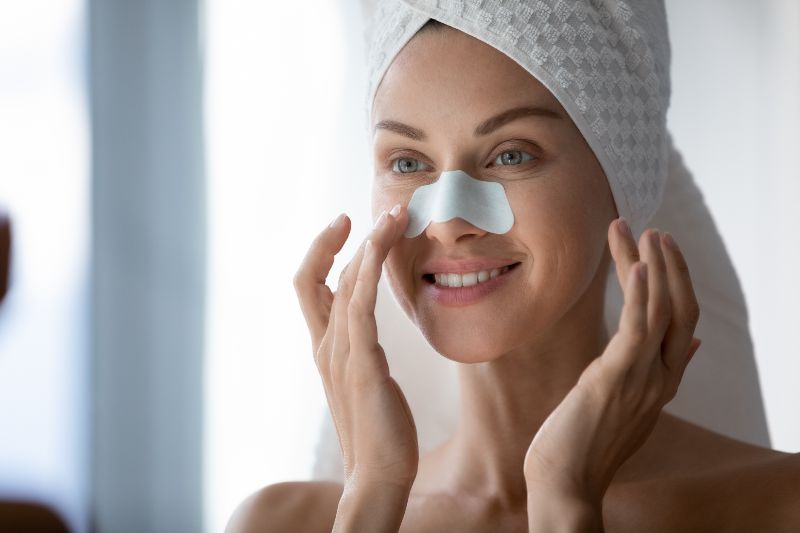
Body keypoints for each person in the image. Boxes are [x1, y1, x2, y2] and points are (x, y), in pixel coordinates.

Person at [227, 5, 799, 532]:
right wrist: (372, 493)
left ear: (621, 178)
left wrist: (564, 496)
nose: (448, 222)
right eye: (407, 162)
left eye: (511, 154)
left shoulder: (779, 507)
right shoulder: (282, 523)